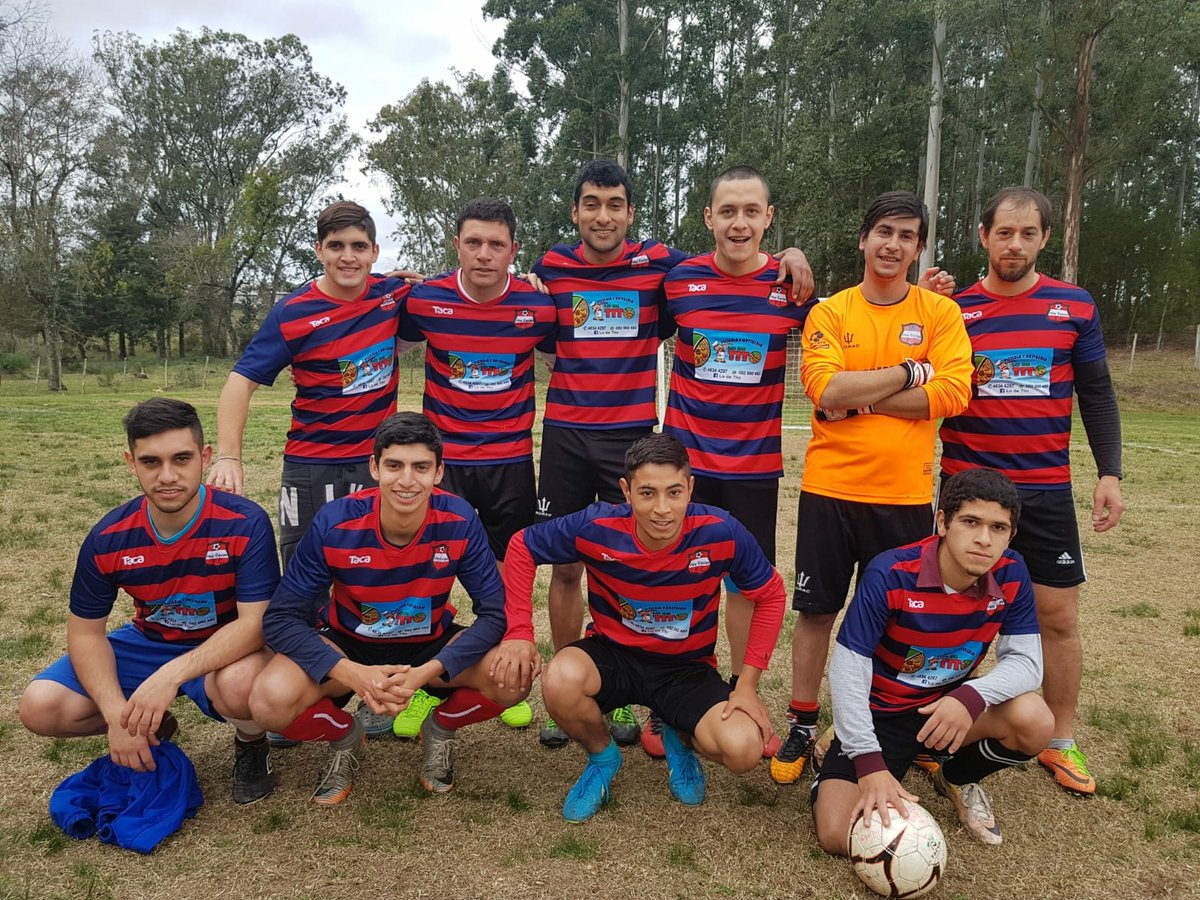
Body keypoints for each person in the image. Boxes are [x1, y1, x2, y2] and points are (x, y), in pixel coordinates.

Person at [530, 159, 814, 755]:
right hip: (579, 438)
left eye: (615, 204)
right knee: (578, 565)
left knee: (716, 574)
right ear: (576, 210)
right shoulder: (554, 267)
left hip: (677, 447)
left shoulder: (671, 268)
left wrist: (795, 254)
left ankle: (726, 690)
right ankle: (580, 690)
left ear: (632, 215)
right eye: (591, 203)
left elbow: (836, 320)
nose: (602, 215)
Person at [774, 191, 973, 785]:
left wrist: (860, 397)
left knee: (903, 620)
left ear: (918, 248)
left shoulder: (939, 314)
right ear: (864, 239)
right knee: (816, 612)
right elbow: (825, 391)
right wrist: (913, 374)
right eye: (884, 231)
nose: (893, 245)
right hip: (830, 489)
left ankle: (896, 726)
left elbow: (954, 394)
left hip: (906, 496)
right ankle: (805, 724)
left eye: (907, 236)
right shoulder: (831, 312)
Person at [493, 433, 787, 822]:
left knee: (743, 750)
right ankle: (602, 758)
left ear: (691, 489)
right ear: (626, 492)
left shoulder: (721, 531)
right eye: (647, 493)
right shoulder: (596, 526)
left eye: (674, 492)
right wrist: (518, 632)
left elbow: (772, 593)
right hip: (614, 656)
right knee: (559, 679)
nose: (662, 509)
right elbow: (521, 547)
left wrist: (746, 686)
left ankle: (679, 736)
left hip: (686, 668)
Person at [939, 187, 1124, 795]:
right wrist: (924, 304)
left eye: (1027, 233)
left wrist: (1110, 471)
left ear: (1045, 238)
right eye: (1003, 233)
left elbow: (1096, 392)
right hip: (964, 492)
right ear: (983, 236)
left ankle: (1060, 741)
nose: (1013, 244)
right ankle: (935, 730)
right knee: (943, 617)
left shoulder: (1073, 307)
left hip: (1043, 492)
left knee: (1058, 618)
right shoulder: (953, 310)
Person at [247, 412, 528, 805]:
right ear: (374, 468)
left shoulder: (459, 518)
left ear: (439, 472)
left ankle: (440, 727)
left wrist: (427, 672)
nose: (408, 480)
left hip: (428, 647)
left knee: (514, 677)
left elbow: (495, 613)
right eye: (394, 465)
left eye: (421, 467)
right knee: (268, 702)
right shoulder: (335, 521)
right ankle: (345, 734)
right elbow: (280, 617)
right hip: (350, 647)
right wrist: (353, 674)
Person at [19, 398, 281, 805]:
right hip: (151, 640)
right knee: (41, 707)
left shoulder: (245, 522)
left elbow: (255, 624)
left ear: (204, 456)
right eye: (151, 462)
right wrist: (116, 715)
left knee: (241, 686)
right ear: (131, 462)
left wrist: (170, 676)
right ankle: (152, 726)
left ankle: (251, 744)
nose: (168, 476)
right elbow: (85, 633)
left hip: (227, 646)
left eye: (181, 458)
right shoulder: (108, 537)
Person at [811, 467, 1053, 850]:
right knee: (838, 835)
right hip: (884, 716)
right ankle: (844, 741)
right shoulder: (892, 573)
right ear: (943, 521)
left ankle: (954, 776)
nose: (983, 539)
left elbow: (1026, 662)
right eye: (971, 522)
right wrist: (869, 760)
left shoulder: (1013, 572)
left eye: (998, 528)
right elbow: (847, 668)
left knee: (1036, 720)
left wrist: (969, 697)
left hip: (948, 712)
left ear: (1012, 534)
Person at [663, 166, 816, 742]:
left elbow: (854, 322)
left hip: (754, 469)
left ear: (768, 219)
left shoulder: (791, 290)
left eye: (752, 211)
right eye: (727, 211)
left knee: (744, 585)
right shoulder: (679, 281)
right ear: (708, 218)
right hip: (686, 469)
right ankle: (673, 690)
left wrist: (796, 254)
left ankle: (736, 689)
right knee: (680, 583)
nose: (739, 222)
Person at [395, 197, 557, 735]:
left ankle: (503, 670)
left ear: (513, 251)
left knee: (507, 571)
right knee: (428, 572)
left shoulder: (539, 309)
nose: (484, 254)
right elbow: (378, 309)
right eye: (473, 243)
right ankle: (423, 682)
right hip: (444, 467)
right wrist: (392, 279)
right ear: (456, 245)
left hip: (510, 462)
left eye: (496, 245)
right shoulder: (425, 300)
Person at [208, 201, 410, 568]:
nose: (348, 257)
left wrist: (524, 282)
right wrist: (229, 457)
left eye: (359, 246)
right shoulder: (294, 312)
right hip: (311, 463)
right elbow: (240, 382)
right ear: (319, 250)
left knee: (375, 572)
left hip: (375, 463)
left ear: (374, 252)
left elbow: (457, 290)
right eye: (336, 246)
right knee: (305, 577)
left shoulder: (392, 295)